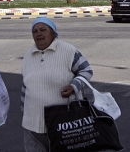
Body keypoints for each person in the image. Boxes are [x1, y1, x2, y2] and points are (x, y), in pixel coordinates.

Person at [21, 18, 93, 152]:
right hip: (32, 125)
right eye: (35, 31)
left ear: (53, 33)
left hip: (64, 124)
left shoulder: (68, 51)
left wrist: (74, 86)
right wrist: (24, 115)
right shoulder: (27, 56)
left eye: (43, 30)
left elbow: (86, 70)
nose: (39, 34)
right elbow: (25, 88)